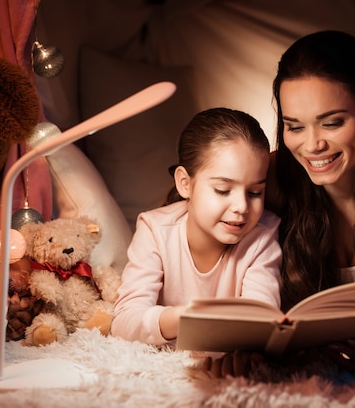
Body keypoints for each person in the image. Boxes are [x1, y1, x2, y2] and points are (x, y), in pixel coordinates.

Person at [206, 30, 355, 377]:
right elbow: (194, 227)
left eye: (332, 123)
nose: (312, 145)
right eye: (295, 127)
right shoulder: (270, 177)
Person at [111, 107, 283, 345]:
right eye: (223, 190)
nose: (242, 206)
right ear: (185, 183)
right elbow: (124, 322)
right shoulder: (155, 229)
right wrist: (185, 318)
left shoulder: (262, 237)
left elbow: (262, 320)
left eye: (255, 192)